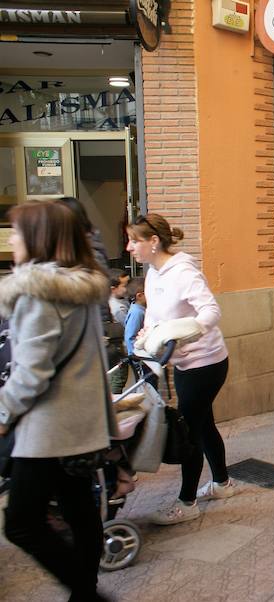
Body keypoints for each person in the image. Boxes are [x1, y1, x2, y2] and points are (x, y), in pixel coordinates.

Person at [0, 201, 115, 601]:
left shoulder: (38, 292)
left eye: (16, 232)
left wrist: (2, 413)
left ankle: (90, 595)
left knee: (21, 524)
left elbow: (32, 372)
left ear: (37, 238)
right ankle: (86, 593)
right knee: (80, 511)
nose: (11, 239)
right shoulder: (80, 287)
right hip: (81, 425)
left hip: (49, 429)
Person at [126, 213, 235, 525]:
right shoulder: (153, 274)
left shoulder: (183, 272)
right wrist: (146, 336)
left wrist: (186, 331)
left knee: (190, 431)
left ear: (154, 241)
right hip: (185, 362)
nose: (129, 247)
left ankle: (187, 504)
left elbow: (211, 311)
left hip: (206, 363)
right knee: (203, 424)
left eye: (135, 240)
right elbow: (154, 318)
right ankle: (222, 484)